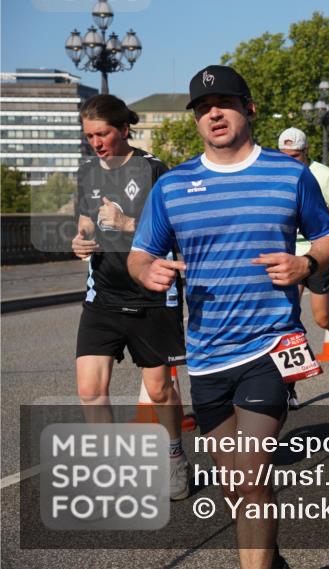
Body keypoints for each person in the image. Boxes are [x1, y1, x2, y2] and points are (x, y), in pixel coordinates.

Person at [129, 65, 329, 569]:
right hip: (205, 355)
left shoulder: (290, 174)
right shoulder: (174, 186)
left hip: (270, 345)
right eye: (203, 108)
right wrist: (148, 272)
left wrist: (306, 262)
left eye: (223, 102)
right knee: (234, 485)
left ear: (248, 108)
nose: (213, 113)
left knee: (251, 475)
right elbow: (140, 254)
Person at [71, 94, 190, 500]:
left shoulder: (156, 170)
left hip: (151, 297)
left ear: (123, 129)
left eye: (102, 133)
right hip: (102, 294)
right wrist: (82, 240)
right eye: (89, 136)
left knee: (159, 390)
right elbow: (87, 220)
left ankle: (174, 457)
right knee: (90, 389)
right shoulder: (87, 173)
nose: (96, 142)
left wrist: (126, 223)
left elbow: (175, 232)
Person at [276, 127, 329, 411]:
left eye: (295, 155)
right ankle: (289, 389)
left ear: (306, 151)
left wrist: (314, 211)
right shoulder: (275, 172)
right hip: (288, 254)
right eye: (285, 155)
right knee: (287, 320)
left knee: (321, 318)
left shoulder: (322, 174)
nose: (291, 161)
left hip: (319, 253)